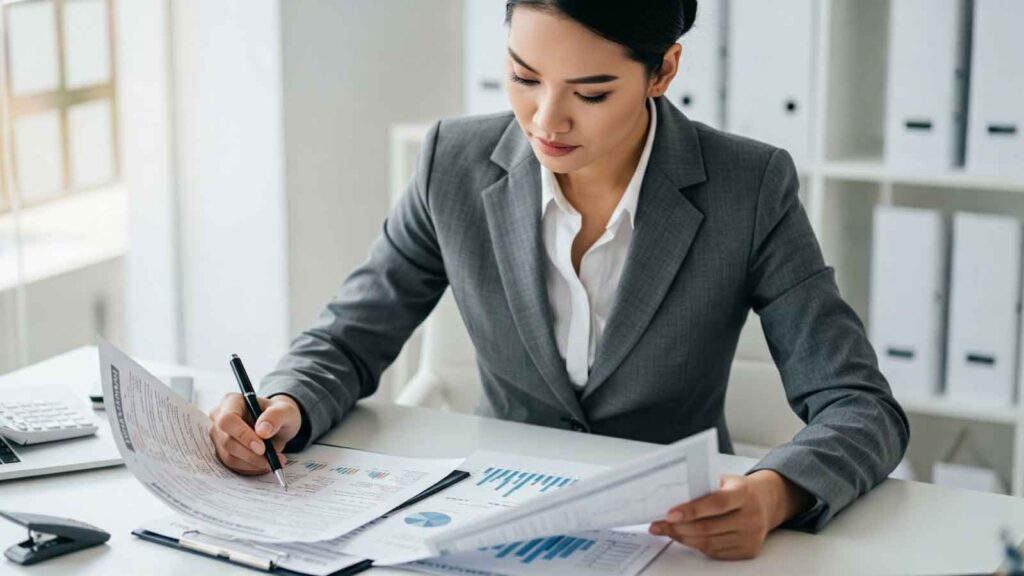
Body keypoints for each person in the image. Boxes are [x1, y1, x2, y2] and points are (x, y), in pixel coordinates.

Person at [209, 0, 909, 560]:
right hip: (491, 523)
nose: (546, 120)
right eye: (523, 76)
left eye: (592, 91)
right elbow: (349, 337)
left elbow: (860, 406)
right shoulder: (453, 163)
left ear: (663, 71)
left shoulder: (748, 187)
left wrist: (774, 493)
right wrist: (285, 402)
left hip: (671, 540)